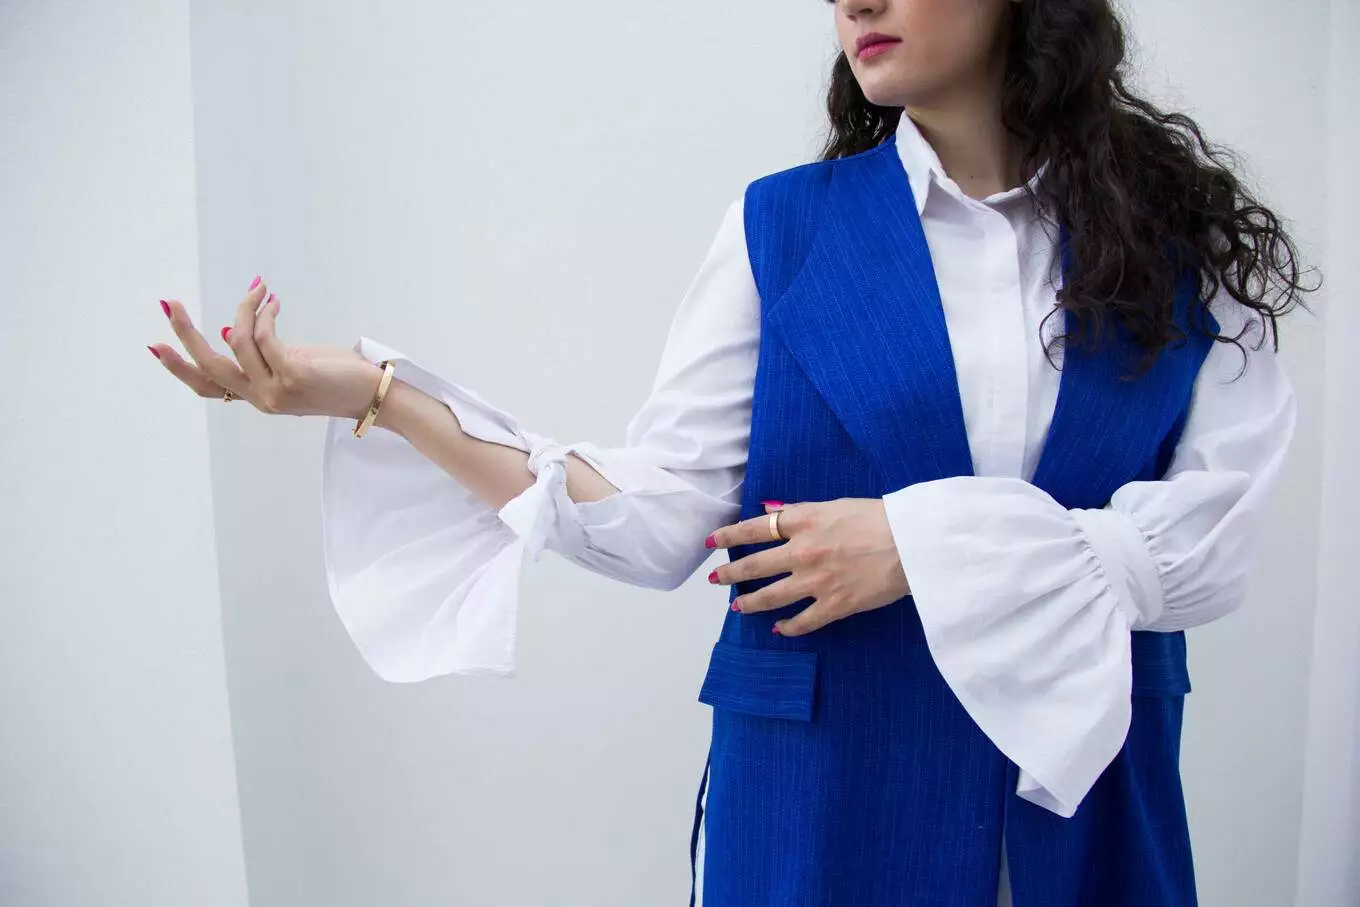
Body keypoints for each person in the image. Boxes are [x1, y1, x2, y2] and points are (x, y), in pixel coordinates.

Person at [148, 0, 1312, 904]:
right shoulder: (783, 226)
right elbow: (662, 518)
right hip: (818, 796)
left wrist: (913, 541)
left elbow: (1204, 552)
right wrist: (385, 395)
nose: (853, 1)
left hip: (1089, 805)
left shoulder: (1182, 239)